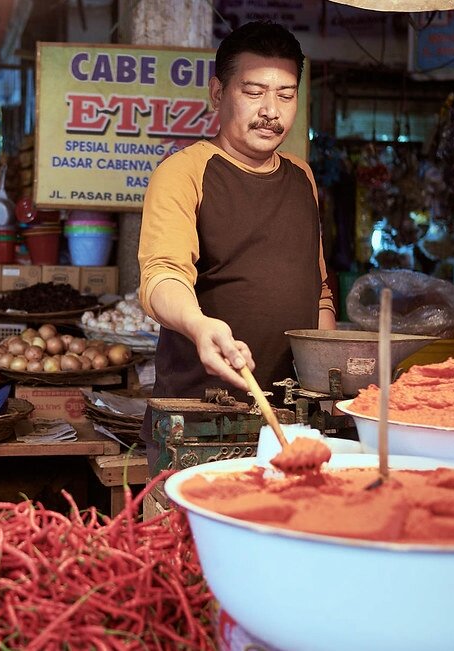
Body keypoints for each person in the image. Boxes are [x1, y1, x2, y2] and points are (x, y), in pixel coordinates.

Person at [137, 20, 336, 465]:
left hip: (289, 421)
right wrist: (198, 324)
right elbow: (160, 276)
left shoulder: (302, 177)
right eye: (253, 91)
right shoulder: (184, 171)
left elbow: (318, 290)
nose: (271, 110)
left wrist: (330, 372)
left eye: (286, 95)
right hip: (199, 422)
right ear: (217, 93)